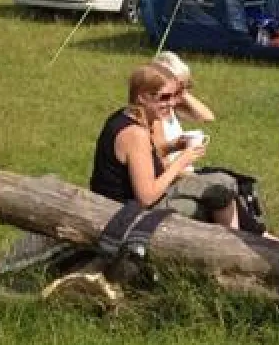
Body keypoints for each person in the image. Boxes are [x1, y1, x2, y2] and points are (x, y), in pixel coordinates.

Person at [89, 63, 239, 229]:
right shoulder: (134, 134)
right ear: (142, 97)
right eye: (165, 97)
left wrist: (173, 146)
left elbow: (144, 160)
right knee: (207, 202)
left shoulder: (131, 116)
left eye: (174, 96)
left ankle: (236, 238)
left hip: (135, 203)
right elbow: (146, 198)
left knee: (223, 183)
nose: (172, 103)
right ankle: (226, 245)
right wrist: (180, 162)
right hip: (122, 213)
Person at [152, 51, 215, 163]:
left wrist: (181, 93)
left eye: (187, 85)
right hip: (175, 175)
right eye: (180, 86)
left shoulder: (171, 107)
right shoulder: (154, 115)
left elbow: (207, 117)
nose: (184, 92)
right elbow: (160, 165)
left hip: (182, 172)